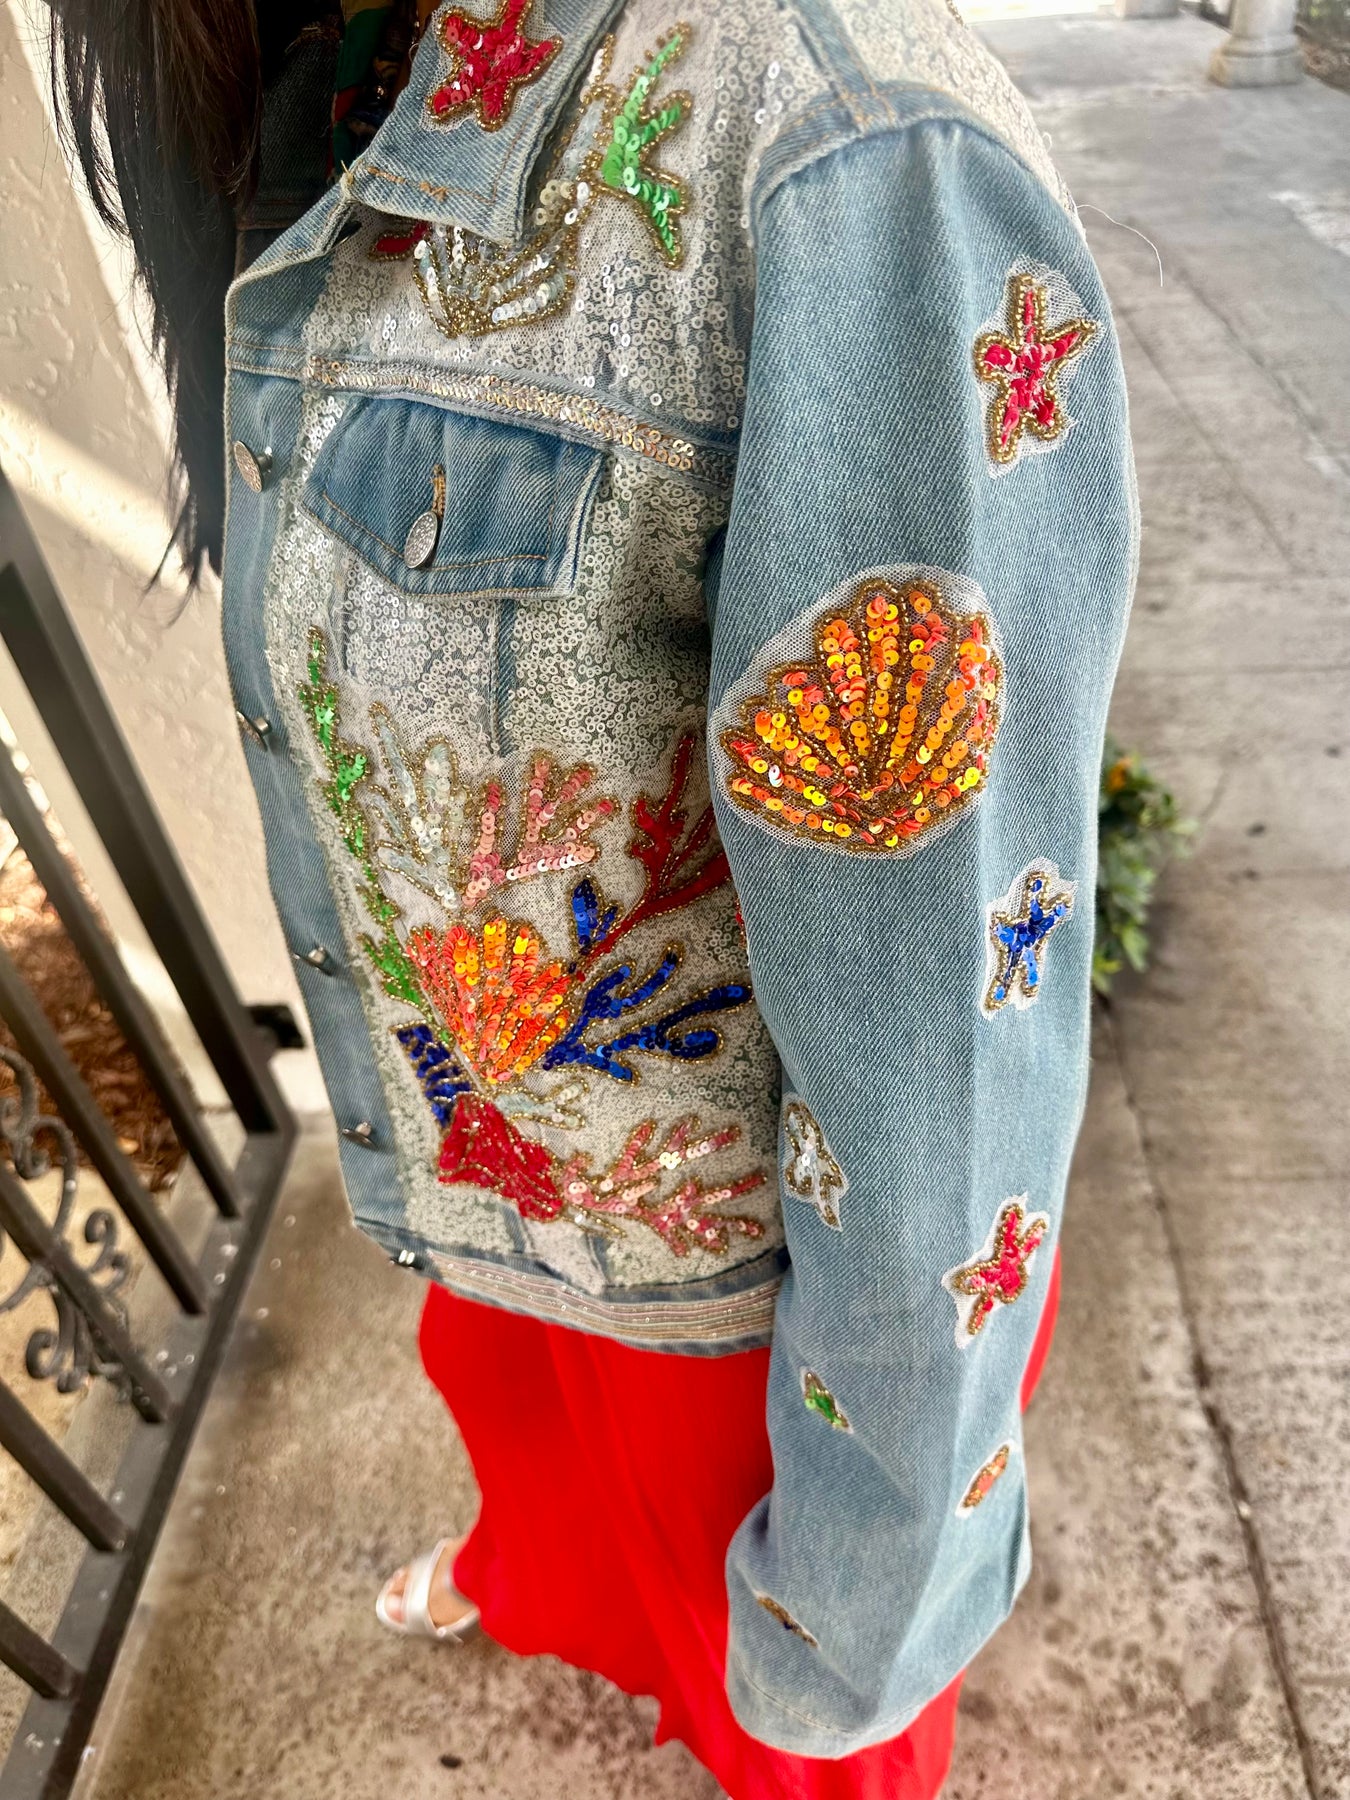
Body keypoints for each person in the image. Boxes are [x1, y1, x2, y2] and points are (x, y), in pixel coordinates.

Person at [48, 0, 1135, 1793]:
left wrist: (873, 1580)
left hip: (725, 1292)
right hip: (491, 1149)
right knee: (532, 1456)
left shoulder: (839, 158)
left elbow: (938, 1030)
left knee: (782, 1711)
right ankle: (539, 1579)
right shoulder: (348, 55)